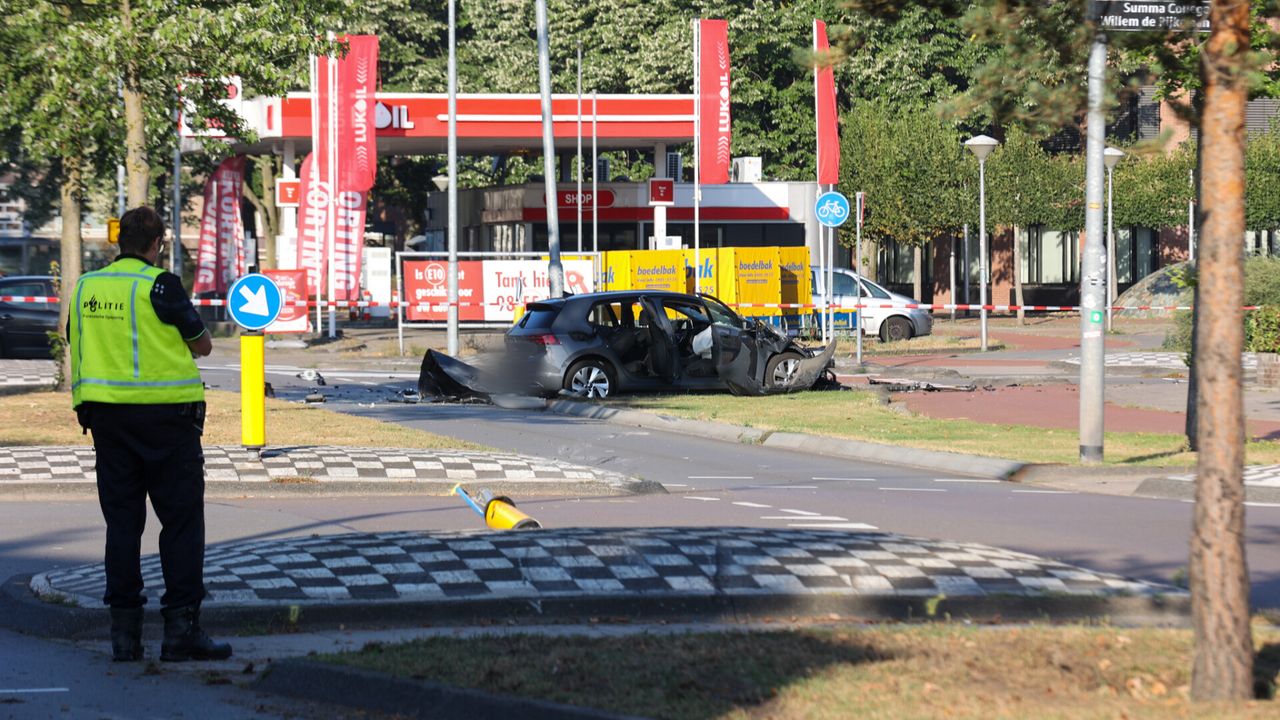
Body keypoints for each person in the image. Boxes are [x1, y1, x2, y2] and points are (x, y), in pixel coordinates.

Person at [68, 206, 230, 663]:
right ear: (156, 244)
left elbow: (73, 338)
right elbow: (202, 343)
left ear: (120, 242)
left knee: (122, 525)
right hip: (167, 423)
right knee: (180, 524)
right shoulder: (159, 284)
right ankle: (181, 631)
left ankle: (125, 637)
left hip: (108, 423)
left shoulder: (86, 286)